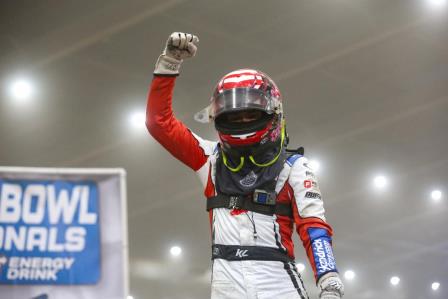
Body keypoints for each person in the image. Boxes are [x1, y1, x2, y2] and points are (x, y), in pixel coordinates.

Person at [146, 32, 345, 299]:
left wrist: (329, 281)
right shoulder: (210, 158)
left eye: (250, 114)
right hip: (226, 290)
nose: (241, 121)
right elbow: (158, 123)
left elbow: (314, 228)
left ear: (273, 112)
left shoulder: (295, 166)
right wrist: (169, 64)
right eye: (233, 115)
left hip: (279, 287)